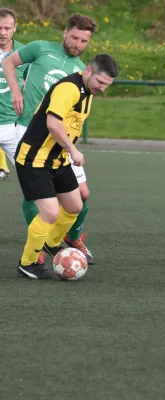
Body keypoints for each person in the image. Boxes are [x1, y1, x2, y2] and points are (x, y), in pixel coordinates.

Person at [3, 13, 98, 263]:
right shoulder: (40, 48)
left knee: (82, 195)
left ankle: (67, 237)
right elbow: (9, 63)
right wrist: (16, 91)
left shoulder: (83, 71)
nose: (77, 44)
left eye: (84, 41)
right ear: (65, 33)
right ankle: (36, 252)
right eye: (75, 37)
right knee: (34, 195)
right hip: (29, 131)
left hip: (60, 140)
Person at [15, 54, 117, 279]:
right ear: (88, 70)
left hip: (56, 159)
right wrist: (72, 149)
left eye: (106, 85)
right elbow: (53, 123)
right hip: (34, 158)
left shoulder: (88, 92)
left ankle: (51, 243)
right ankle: (28, 262)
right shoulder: (68, 88)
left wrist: (67, 151)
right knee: (50, 212)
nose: (102, 88)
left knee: (74, 206)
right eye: (100, 82)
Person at [0, 8, 26, 181]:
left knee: (32, 175)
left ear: (15, 28)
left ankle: (42, 209)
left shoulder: (25, 54)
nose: (2, 32)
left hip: (12, 125)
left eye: (7, 28)